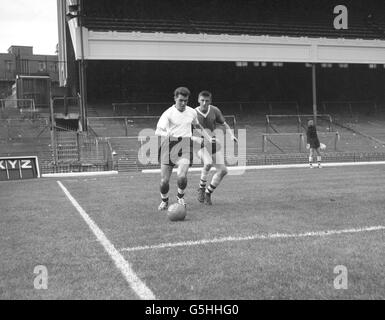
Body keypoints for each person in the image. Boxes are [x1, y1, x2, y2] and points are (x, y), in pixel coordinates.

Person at [155, 87, 214, 211]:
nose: (183, 103)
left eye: (185, 101)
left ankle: (180, 197)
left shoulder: (192, 112)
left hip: (185, 147)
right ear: (175, 98)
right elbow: (159, 130)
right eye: (180, 100)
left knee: (182, 177)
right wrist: (168, 134)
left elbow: (197, 125)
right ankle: (164, 201)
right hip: (169, 146)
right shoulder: (168, 113)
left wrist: (208, 137)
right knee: (164, 181)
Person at [195, 90, 238, 205]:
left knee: (223, 171)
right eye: (202, 100)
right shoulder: (193, 113)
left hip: (212, 143)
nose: (204, 103)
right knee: (208, 163)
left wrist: (231, 135)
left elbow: (224, 124)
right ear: (198, 100)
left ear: (210, 101)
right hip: (198, 144)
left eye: (207, 101)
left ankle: (208, 193)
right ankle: (201, 188)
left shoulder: (215, 110)